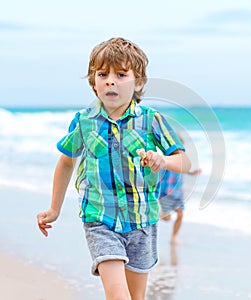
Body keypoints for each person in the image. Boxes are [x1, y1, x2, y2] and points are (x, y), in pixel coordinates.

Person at [37, 37, 192, 300]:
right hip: (99, 219)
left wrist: (162, 160)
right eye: (103, 74)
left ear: (138, 82)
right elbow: (65, 162)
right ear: (93, 82)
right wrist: (54, 208)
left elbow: (184, 161)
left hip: (142, 220)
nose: (111, 80)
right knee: (118, 295)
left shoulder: (151, 120)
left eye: (121, 74)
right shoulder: (84, 122)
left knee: (136, 296)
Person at [159, 136, 201, 244]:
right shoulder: (166, 159)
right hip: (167, 193)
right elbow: (158, 174)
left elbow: (185, 170)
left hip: (178, 193)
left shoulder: (182, 161)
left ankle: (174, 237)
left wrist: (193, 173)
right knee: (166, 218)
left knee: (180, 214)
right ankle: (155, 215)